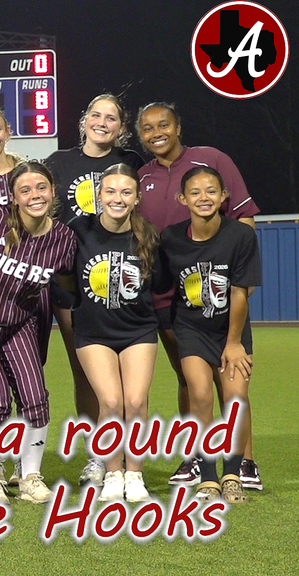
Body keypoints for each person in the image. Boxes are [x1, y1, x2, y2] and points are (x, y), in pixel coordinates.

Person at [135, 102, 262, 490]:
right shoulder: (141, 177)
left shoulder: (211, 158)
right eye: (147, 128)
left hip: (221, 291)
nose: (157, 133)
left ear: (178, 126)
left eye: (164, 125)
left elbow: (244, 218)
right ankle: (197, 460)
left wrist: (241, 278)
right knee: (191, 381)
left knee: (232, 382)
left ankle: (243, 465)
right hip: (171, 299)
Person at [0, 161, 75, 505]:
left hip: (20, 323)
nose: (35, 195)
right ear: (12, 197)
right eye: (25, 190)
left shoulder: (62, 238)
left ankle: (30, 477)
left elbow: (67, 279)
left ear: (52, 191)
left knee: (36, 398)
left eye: (41, 187)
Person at [45, 94, 146, 486]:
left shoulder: (132, 164)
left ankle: (124, 460)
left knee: (128, 387)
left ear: (122, 128)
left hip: (119, 275)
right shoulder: (60, 163)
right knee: (86, 373)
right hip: (73, 278)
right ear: (83, 119)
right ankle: (97, 455)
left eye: (112, 118)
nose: (102, 123)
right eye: (95, 115)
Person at [159, 166, 260, 503]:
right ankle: (208, 475)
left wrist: (233, 344)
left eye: (211, 191)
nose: (204, 197)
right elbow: (160, 285)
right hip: (190, 329)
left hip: (230, 329)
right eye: (196, 192)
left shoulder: (240, 236)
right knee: (200, 395)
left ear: (223, 197)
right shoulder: (171, 238)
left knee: (236, 399)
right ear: (182, 198)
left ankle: (233, 474)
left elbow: (240, 294)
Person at [63, 164, 160, 502]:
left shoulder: (147, 235)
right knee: (110, 401)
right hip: (93, 332)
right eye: (110, 191)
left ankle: (135, 474)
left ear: (136, 198)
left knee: (135, 401)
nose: (118, 198)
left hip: (138, 329)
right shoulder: (78, 230)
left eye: (125, 192)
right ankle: (113, 473)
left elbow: (159, 286)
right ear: (99, 196)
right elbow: (62, 277)